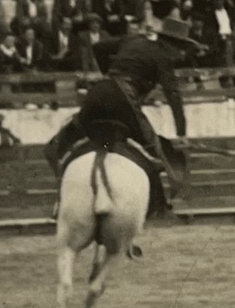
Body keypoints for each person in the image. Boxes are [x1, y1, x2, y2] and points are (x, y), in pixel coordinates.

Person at [45, 16, 203, 208]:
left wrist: (108, 72)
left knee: (57, 146)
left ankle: (60, 200)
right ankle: (160, 204)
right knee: (155, 150)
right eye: (181, 49)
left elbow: (99, 48)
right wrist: (181, 133)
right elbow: (173, 96)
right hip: (123, 102)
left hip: (98, 95)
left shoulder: (133, 39)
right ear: (173, 45)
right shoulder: (163, 58)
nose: (181, 54)